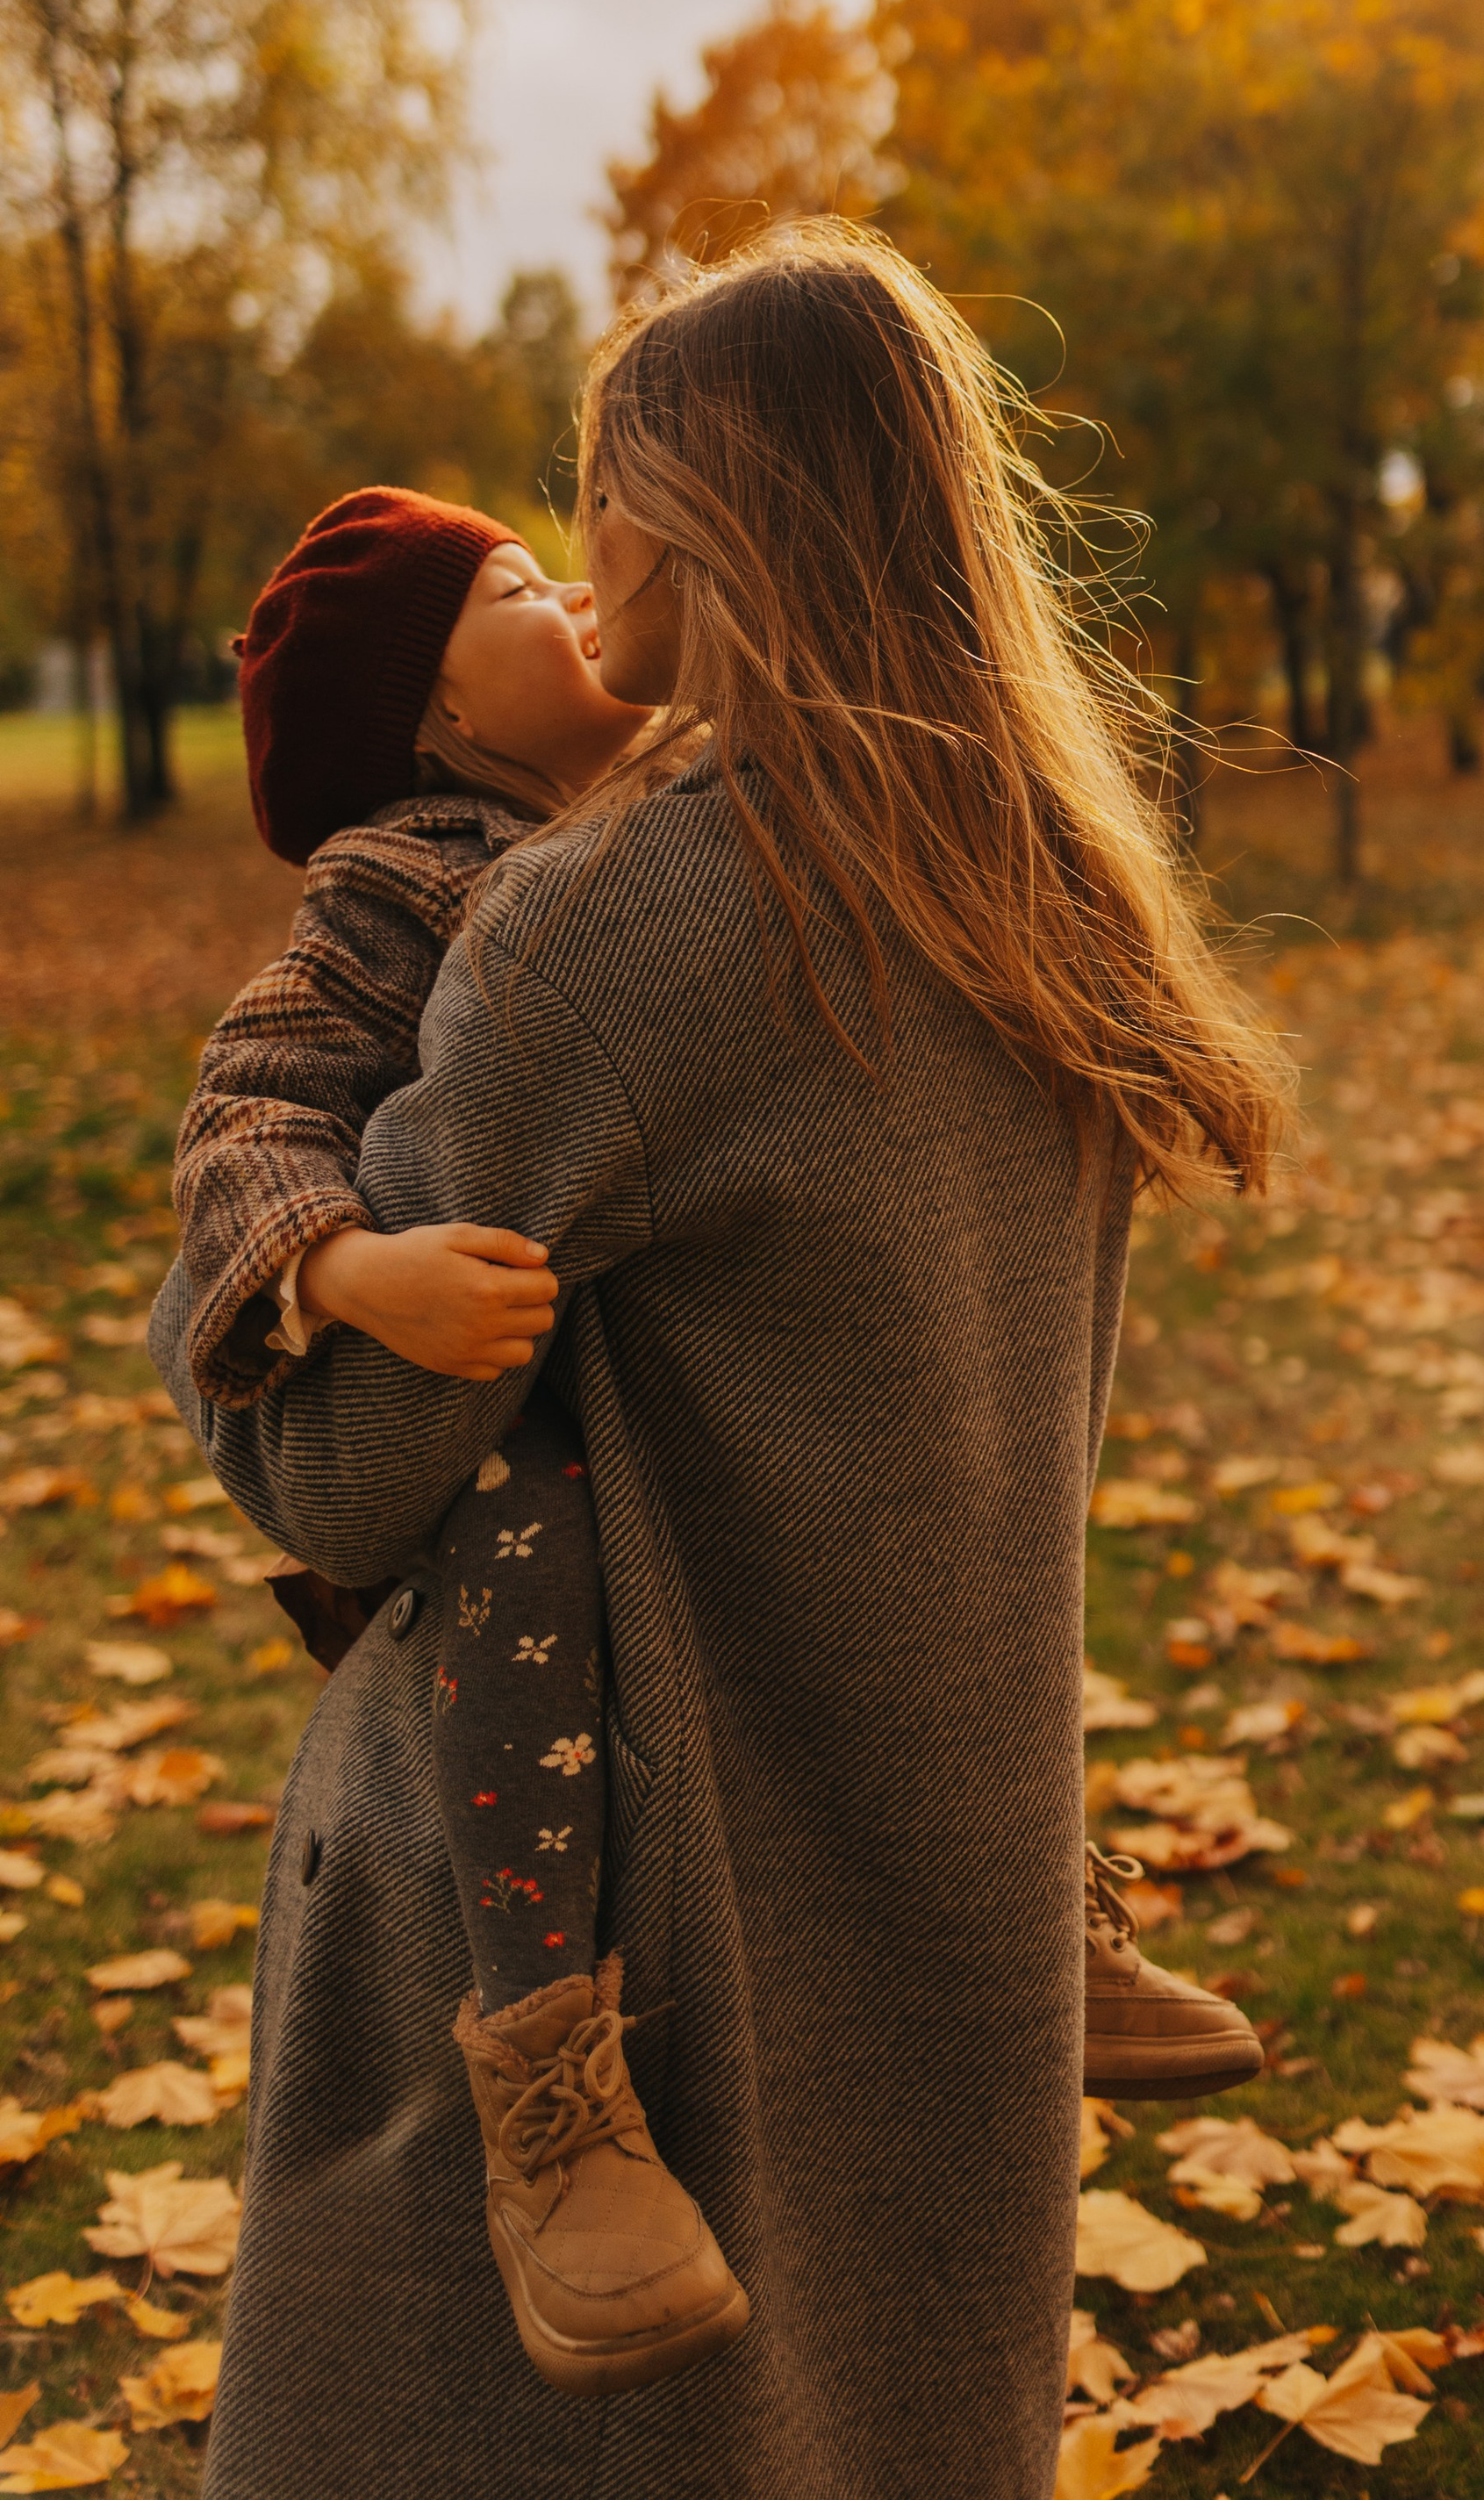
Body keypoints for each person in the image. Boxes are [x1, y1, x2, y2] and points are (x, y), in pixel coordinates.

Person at [153, 223, 1291, 2500]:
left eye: (589, 498)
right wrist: (313, 1234)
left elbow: (348, 1482)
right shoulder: (1043, 880)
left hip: (639, 1941)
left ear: (678, 511)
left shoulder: (632, 918)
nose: (574, 564)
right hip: (939, 1885)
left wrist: (297, 1325)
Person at [174, 485, 749, 2395]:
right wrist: (351, 1271)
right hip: (481, 1403)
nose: (575, 583)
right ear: (439, 722)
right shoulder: (405, 872)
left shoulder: (689, 795)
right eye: (515, 586)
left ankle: (1018, 1880)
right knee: (525, 1529)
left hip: (665, 1371)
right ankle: (547, 2075)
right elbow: (244, 1112)